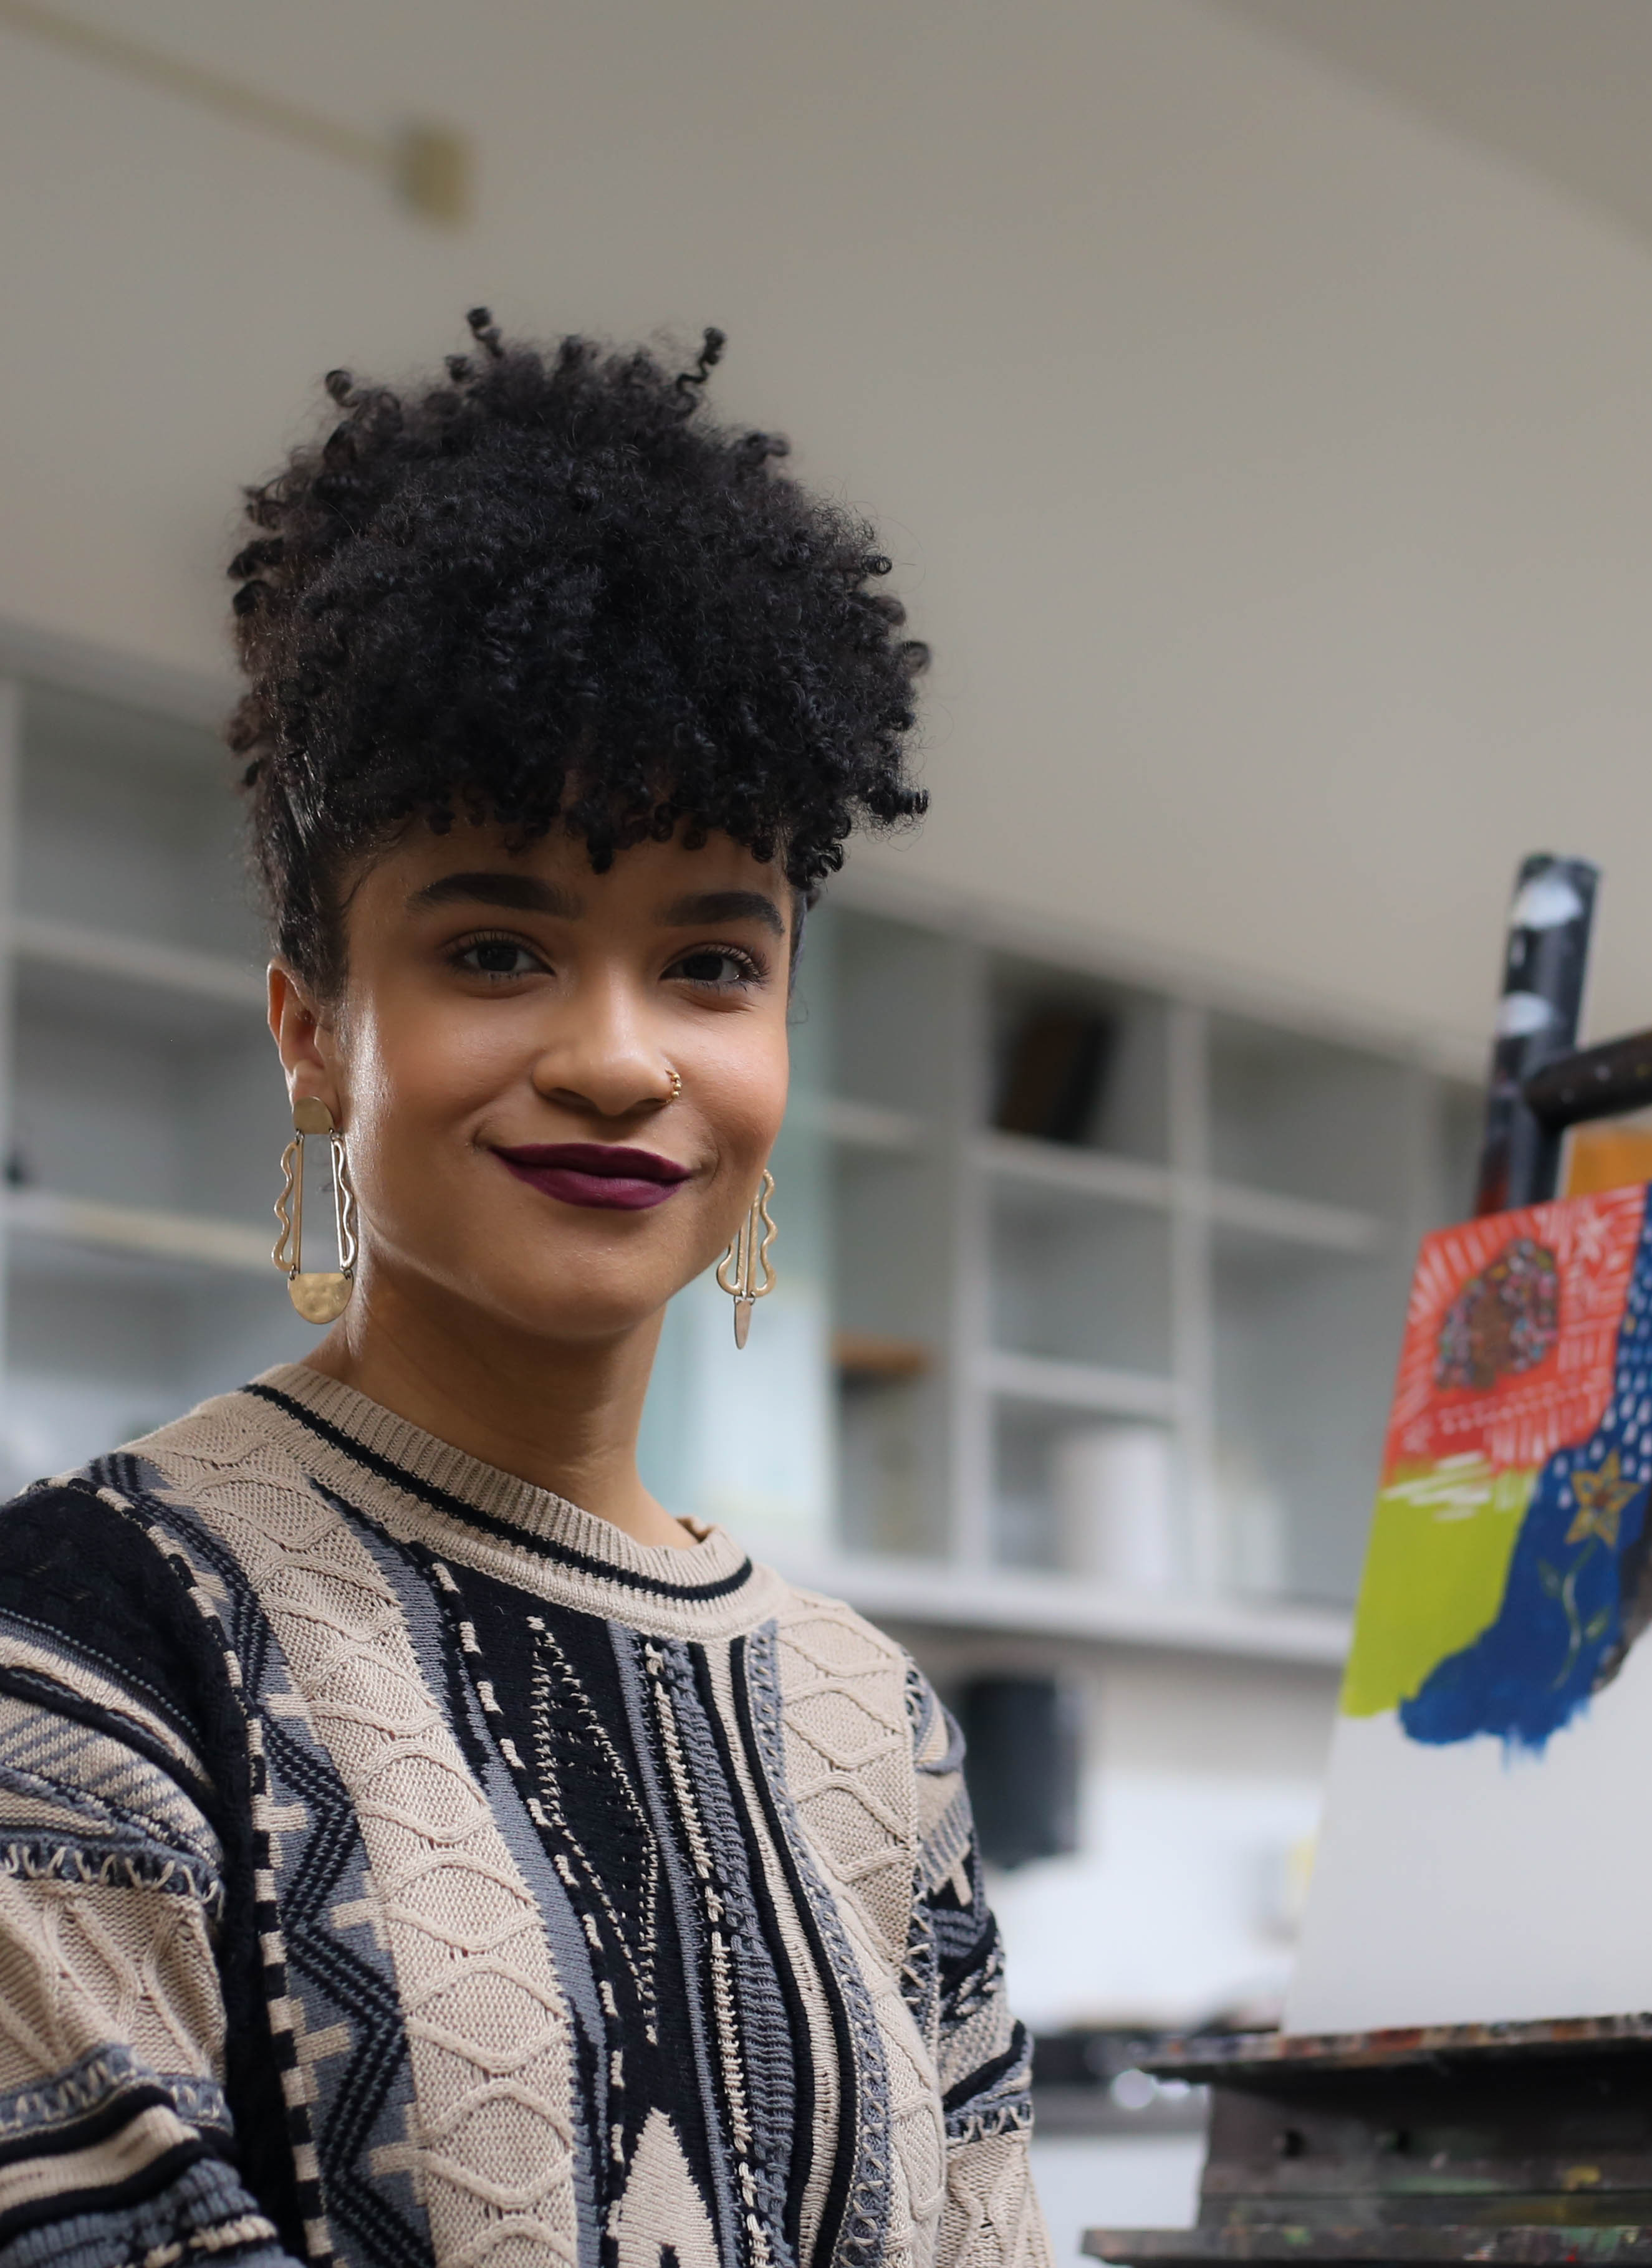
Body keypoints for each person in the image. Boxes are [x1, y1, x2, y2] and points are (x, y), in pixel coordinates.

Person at [0, 315, 1048, 2268]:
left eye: (713, 963)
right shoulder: (83, 1644)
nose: (621, 1059)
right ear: (314, 1031)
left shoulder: (874, 1724)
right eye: (497, 949)